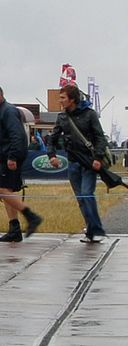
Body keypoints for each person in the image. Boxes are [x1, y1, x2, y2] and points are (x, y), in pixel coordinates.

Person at [48, 84, 113, 244]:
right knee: (81, 198)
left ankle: (97, 230)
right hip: (73, 162)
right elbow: (53, 138)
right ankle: (91, 230)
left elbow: (100, 138)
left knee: (87, 194)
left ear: (72, 99)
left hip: (89, 162)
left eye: (63, 97)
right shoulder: (62, 117)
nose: (60, 101)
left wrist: (98, 158)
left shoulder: (90, 114)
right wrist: (52, 155)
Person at [0, 84, 41, 243]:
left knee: (1, 189)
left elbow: (18, 136)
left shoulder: (8, 111)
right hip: (3, 157)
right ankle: (14, 229)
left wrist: (13, 157)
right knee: (7, 191)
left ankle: (31, 216)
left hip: (10, 158)